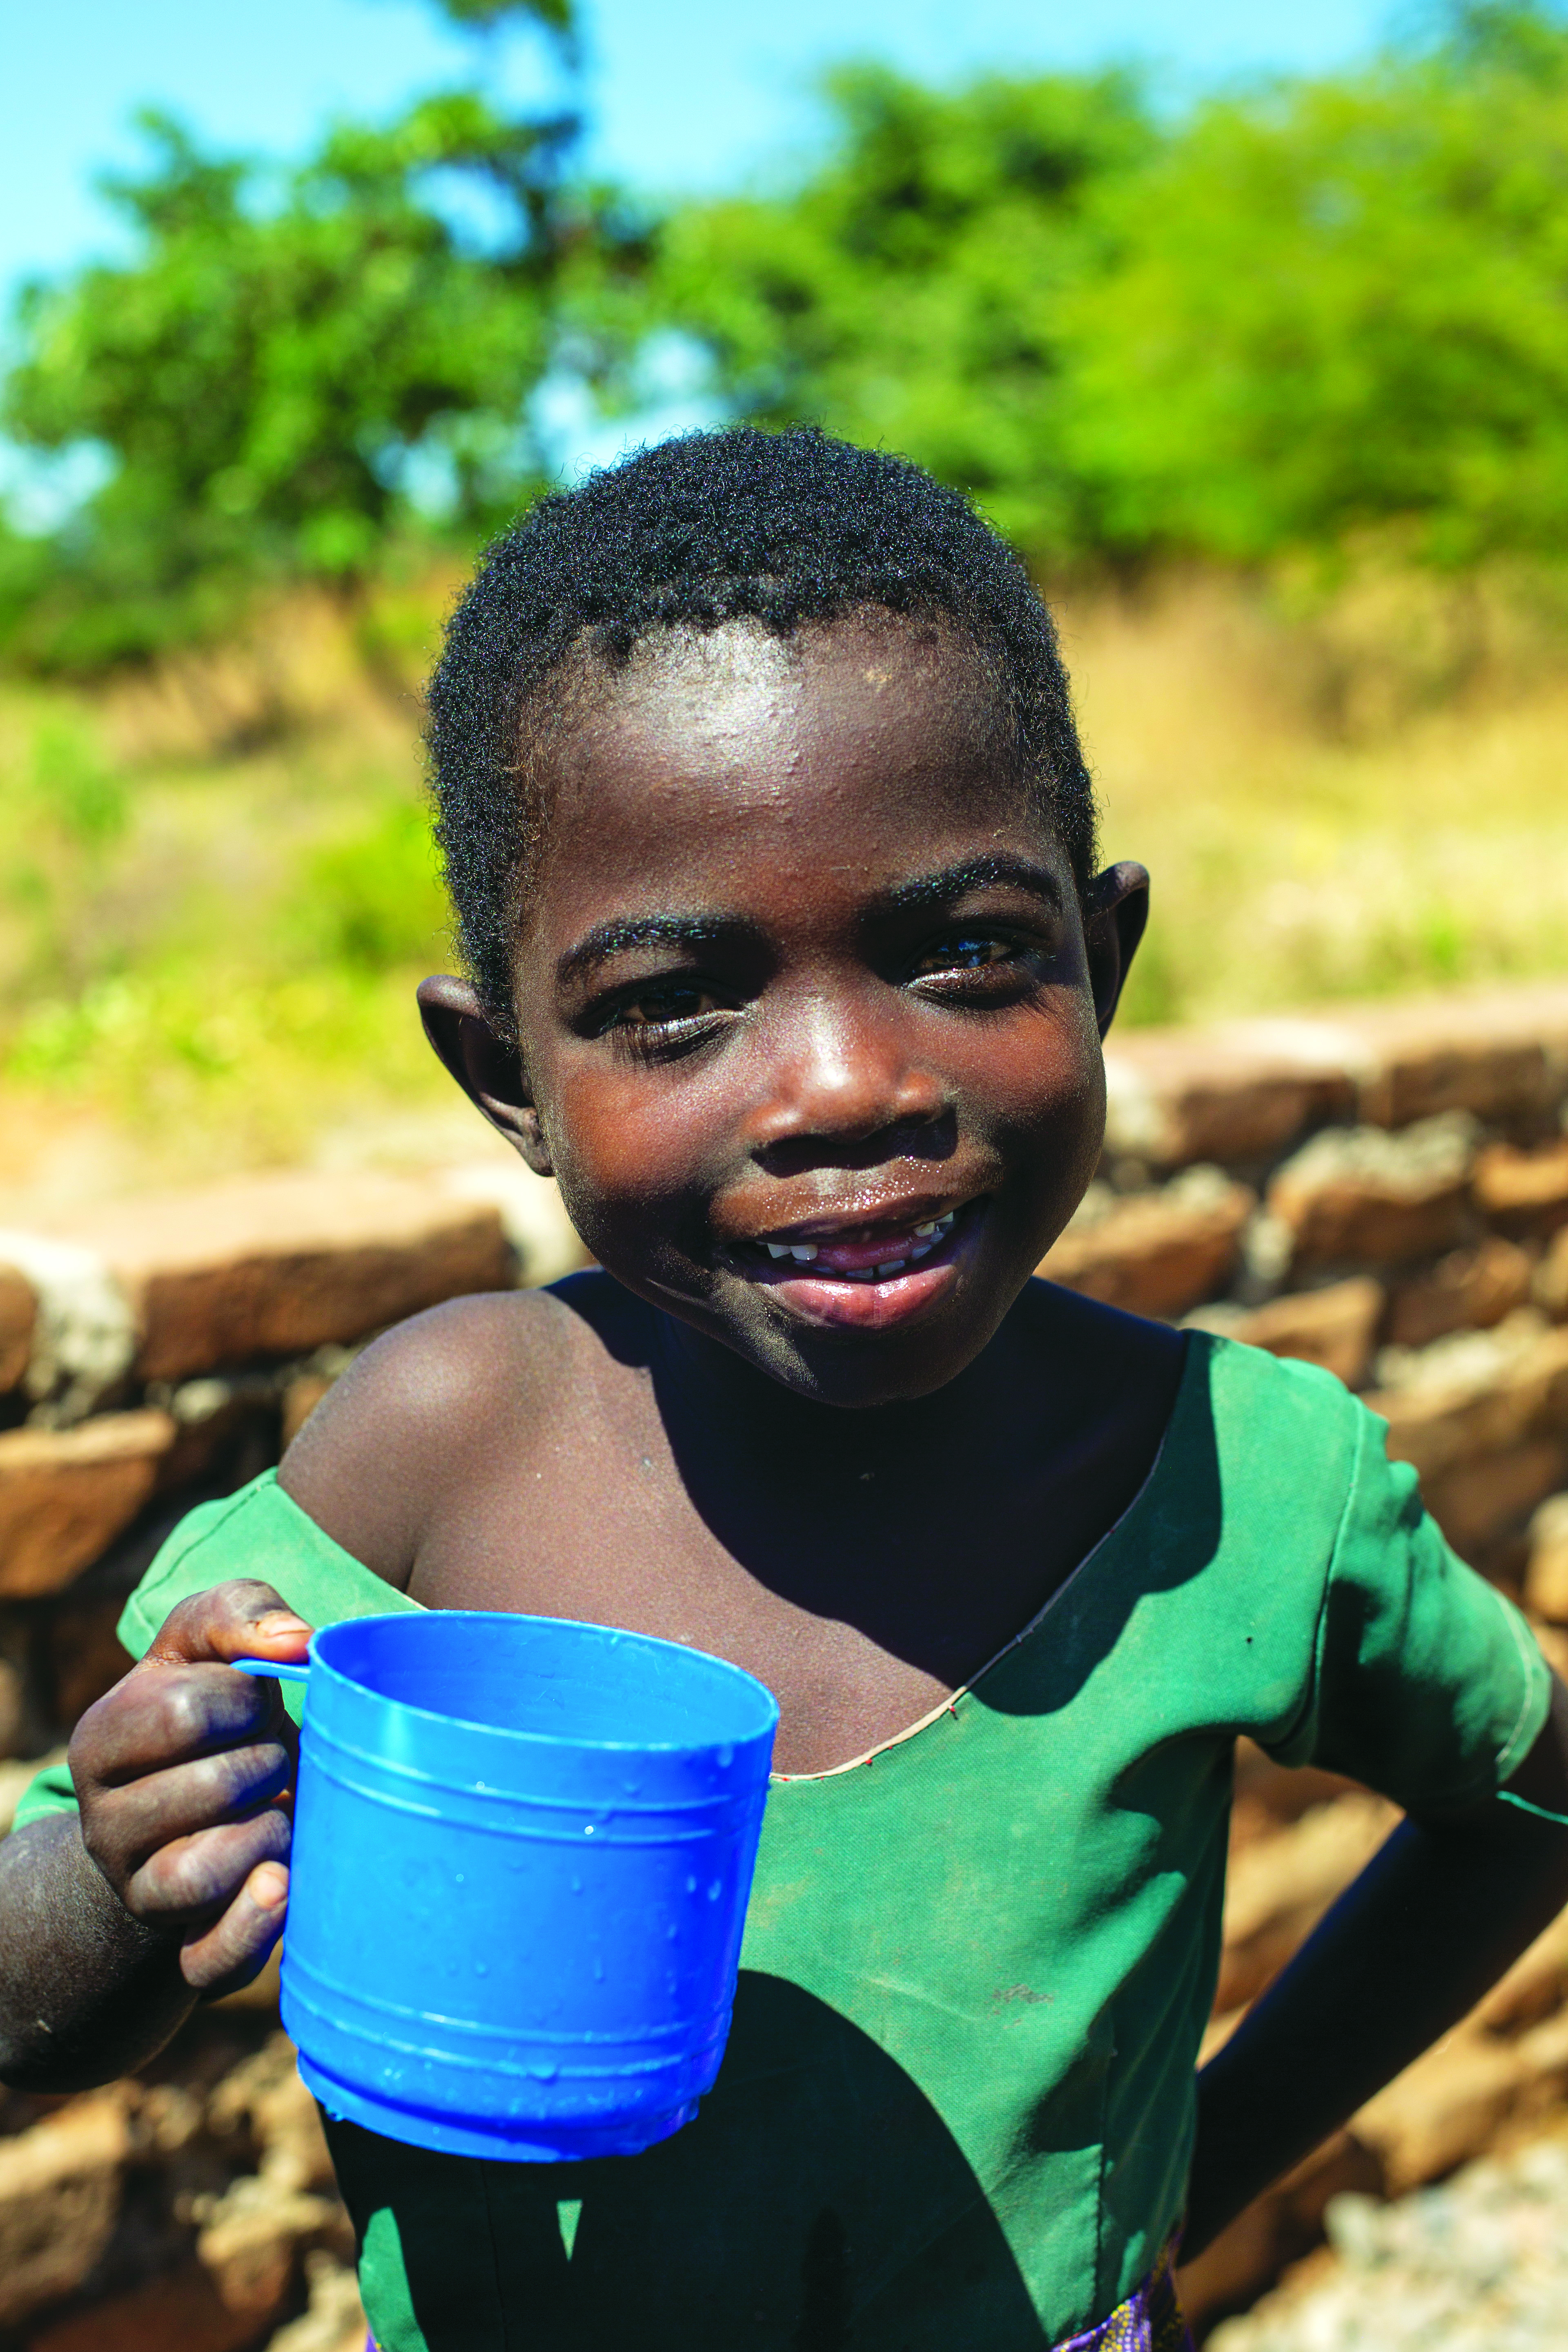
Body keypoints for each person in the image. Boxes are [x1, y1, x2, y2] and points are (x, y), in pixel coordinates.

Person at [2, 426, 1566, 2352]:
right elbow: (28, 2013)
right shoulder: (442, 1451)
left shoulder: (1244, 1482)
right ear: (508, 1083)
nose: (844, 1086)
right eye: (676, 1003)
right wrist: (116, 1864)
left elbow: (1526, 1803)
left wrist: (1206, 2172)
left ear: (1108, 957)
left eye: (971, 949)